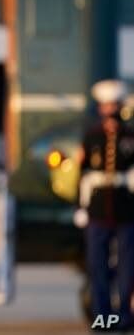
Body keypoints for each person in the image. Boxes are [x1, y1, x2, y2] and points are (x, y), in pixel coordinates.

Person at [77, 79, 134, 331]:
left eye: (114, 105)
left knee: (127, 267)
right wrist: (79, 206)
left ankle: (123, 314)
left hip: (126, 207)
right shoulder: (92, 136)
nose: (110, 111)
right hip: (98, 208)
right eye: (105, 106)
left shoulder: (130, 137)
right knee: (97, 266)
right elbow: (83, 173)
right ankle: (102, 316)